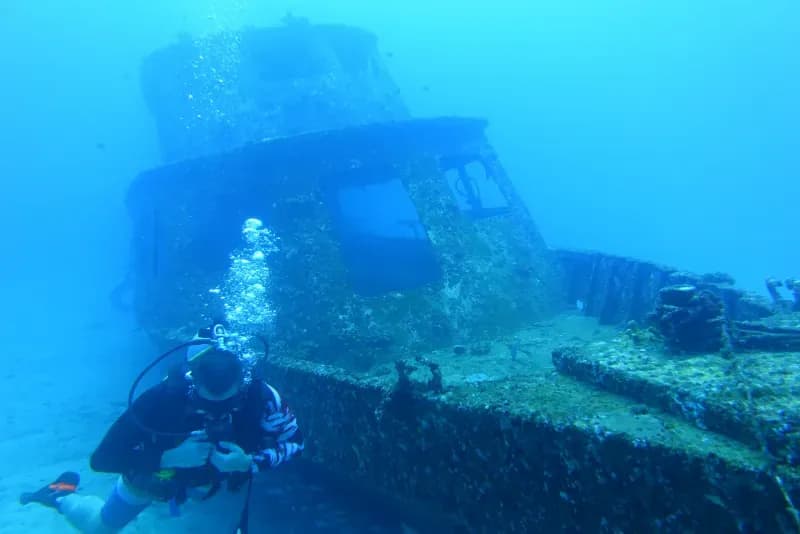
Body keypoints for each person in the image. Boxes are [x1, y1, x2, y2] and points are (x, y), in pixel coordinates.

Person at [20, 323, 304, 533]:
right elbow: (102, 459)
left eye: (227, 403)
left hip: (223, 481)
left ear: (241, 386)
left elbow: (296, 442)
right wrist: (166, 458)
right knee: (99, 526)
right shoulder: (161, 398)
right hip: (157, 476)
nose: (217, 414)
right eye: (207, 403)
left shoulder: (263, 398)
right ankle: (59, 495)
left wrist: (250, 462)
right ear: (193, 385)